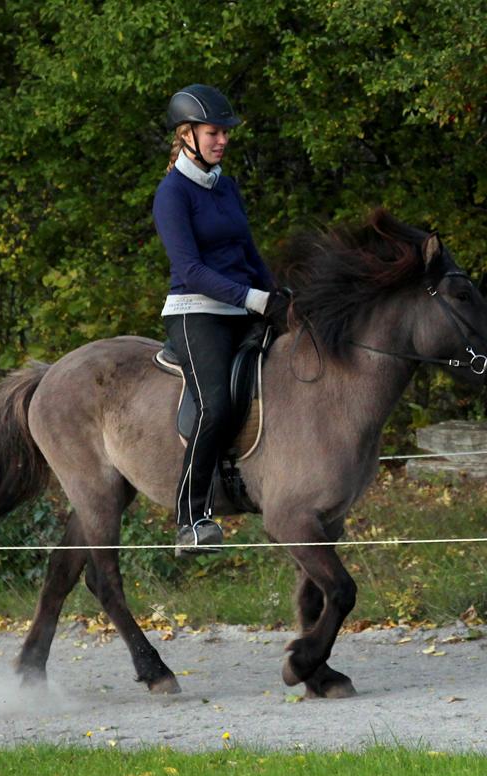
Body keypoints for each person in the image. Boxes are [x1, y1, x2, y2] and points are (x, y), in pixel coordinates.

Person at [154, 84, 287, 556]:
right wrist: (253, 299)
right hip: (195, 313)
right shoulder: (172, 194)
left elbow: (247, 250)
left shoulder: (225, 185)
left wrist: (275, 296)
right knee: (215, 404)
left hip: (243, 305)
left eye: (225, 133)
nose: (223, 140)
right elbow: (190, 270)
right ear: (187, 134)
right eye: (213, 133)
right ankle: (191, 519)